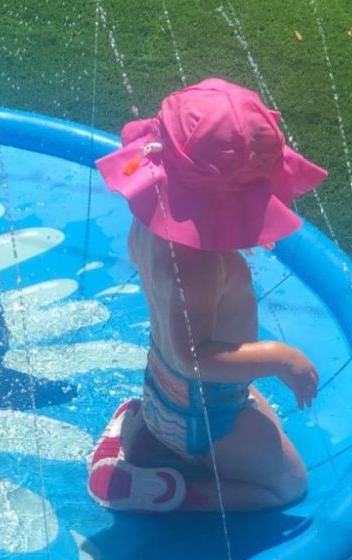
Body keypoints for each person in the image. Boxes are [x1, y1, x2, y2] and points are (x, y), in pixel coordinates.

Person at [87, 78, 327, 511]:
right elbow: (194, 356)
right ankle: (162, 491)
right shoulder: (197, 267)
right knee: (290, 485)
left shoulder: (155, 222)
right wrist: (280, 357)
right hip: (202, 418)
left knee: (261, 416)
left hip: (165, 392)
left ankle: (144, 429)